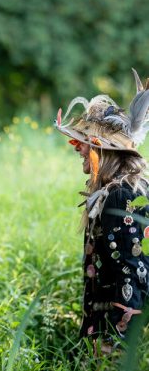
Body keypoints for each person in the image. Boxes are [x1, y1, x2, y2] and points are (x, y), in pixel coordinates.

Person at [54, 68, 149, 354]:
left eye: (82, 143)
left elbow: (132, 272)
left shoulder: (123, 194)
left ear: (104, 150)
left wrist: (114, 348)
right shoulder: (114, 191)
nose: (77, 150)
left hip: (115, 341)